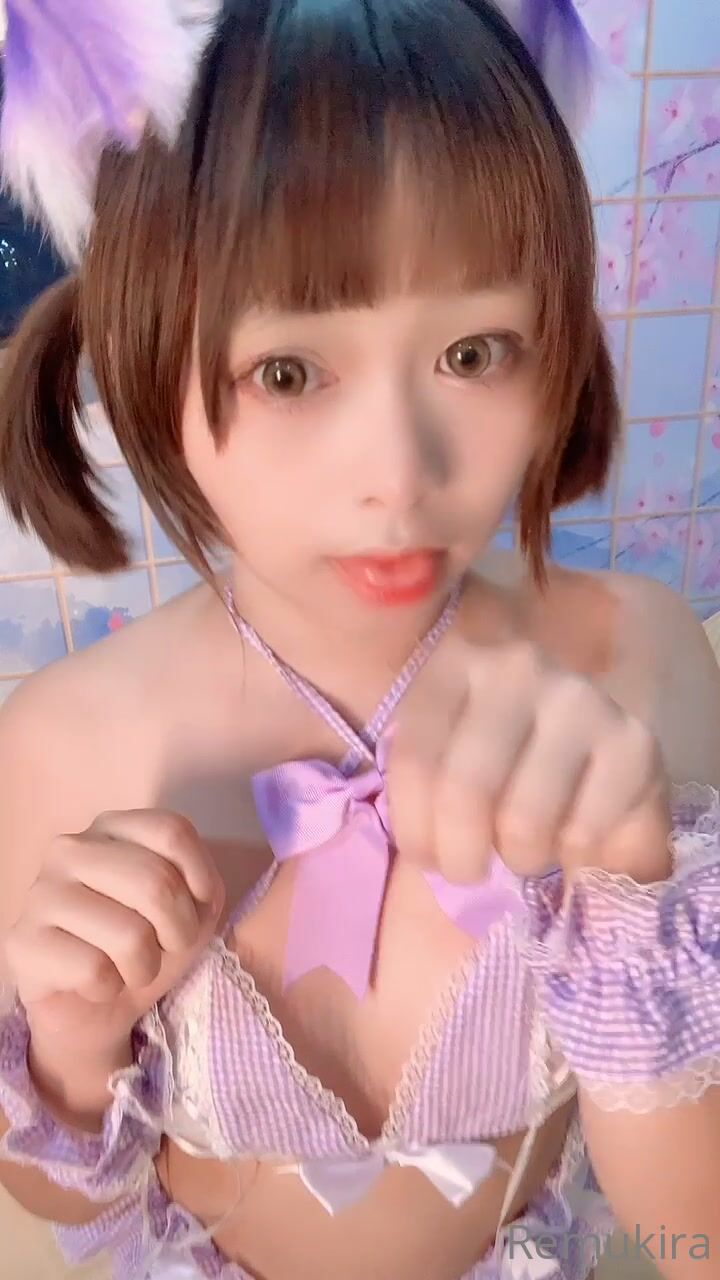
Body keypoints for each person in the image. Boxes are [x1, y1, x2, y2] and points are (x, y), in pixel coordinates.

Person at [0, 2, 718, 1278]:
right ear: (145, 355)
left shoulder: (643, 660)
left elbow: (695, 1237)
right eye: (288, 371)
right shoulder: (54, 744)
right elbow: (55, 1199)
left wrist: (629, 887)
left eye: (474, 352)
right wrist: (73, 1044)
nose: (400, 474)